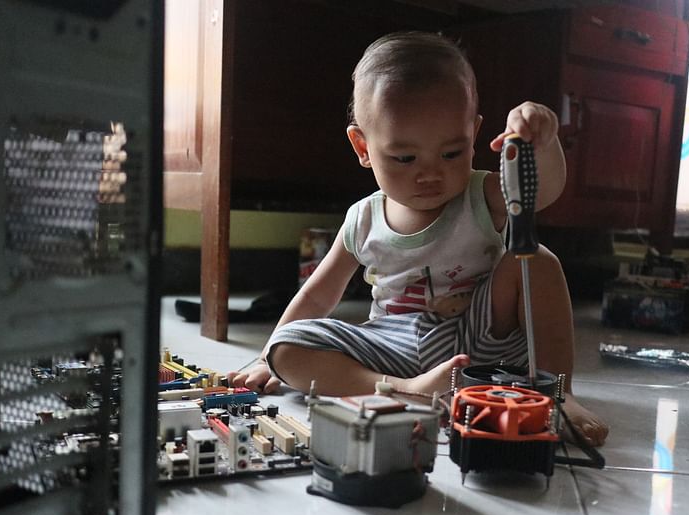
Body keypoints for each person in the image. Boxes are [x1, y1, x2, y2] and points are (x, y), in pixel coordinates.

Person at [229, 31, 608, 446]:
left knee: (536, 258)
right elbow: (318, 297)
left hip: (479, 334)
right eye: (404, 158)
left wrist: (545, 141)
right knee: (288, 347)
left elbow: (544, 192)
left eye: (451, 153)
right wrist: (267, 358)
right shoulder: (363, 219)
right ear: (363, 147)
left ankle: (558, 393)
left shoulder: (482, 196)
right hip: (392, 344)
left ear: (474, 134)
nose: (430, 174)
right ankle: (401, 388)